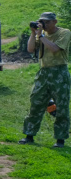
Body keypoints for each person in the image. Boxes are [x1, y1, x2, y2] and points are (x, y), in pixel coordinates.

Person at [20, 12, 71, 148]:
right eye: (42, 21)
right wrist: (33, 33)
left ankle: (60, 139)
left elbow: (54, 49)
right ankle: (29, 135)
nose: (44, 24)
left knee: (61, 106)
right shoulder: (41, 35)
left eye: (47, 22)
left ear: (55, 22)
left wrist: (41, 35)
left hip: (59, 73)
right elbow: (30, 49)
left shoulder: (64, 33)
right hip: (43, 73)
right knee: (36, 103)